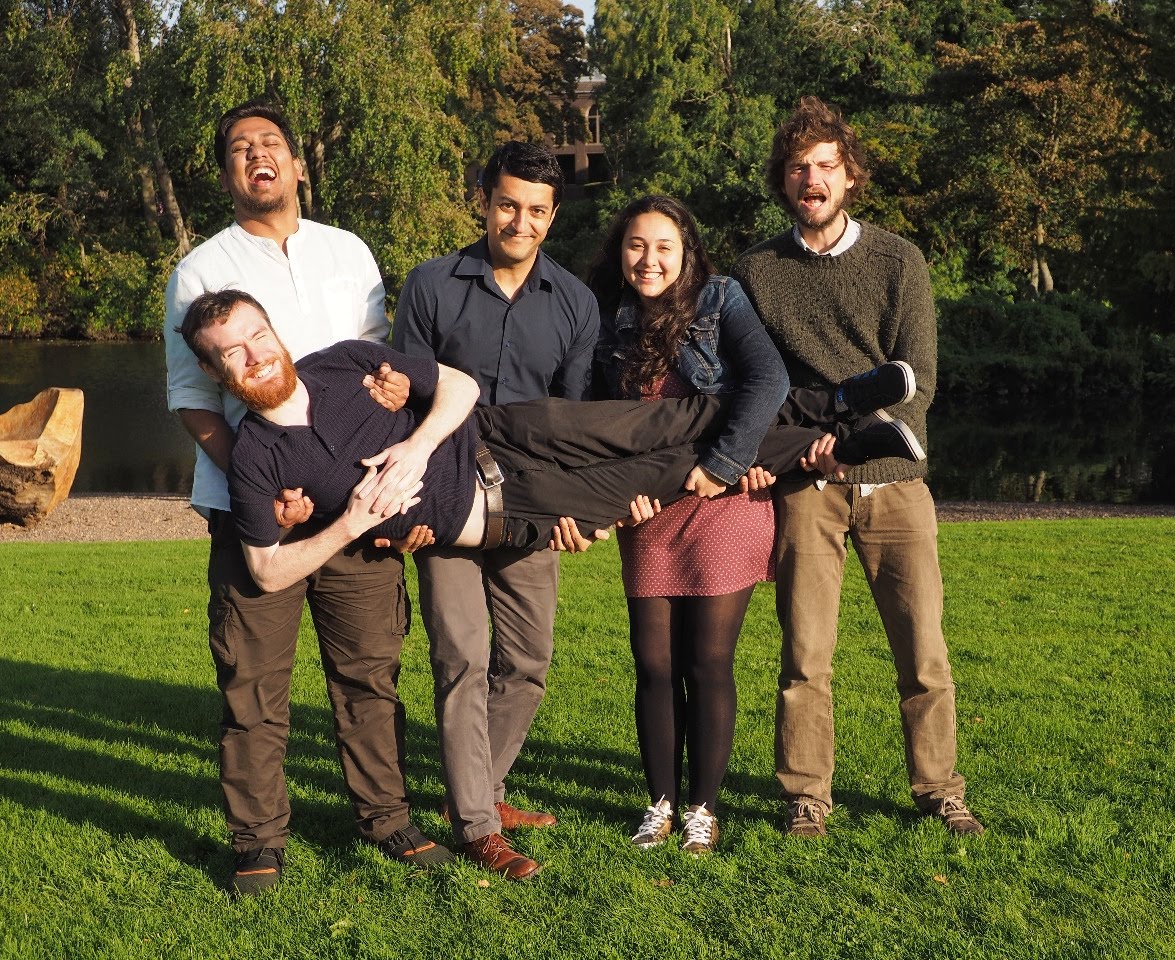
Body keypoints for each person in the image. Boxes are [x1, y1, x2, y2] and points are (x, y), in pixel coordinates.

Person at [163, 99, 459, 897]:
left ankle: (388, 819)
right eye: (239, 148)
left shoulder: (348, 250)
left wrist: (401, 468)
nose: (256, 155)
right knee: (253, 683)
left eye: (271, 143)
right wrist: (263, 488)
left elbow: (380, 369)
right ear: (226, 174)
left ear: (297, 164)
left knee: (369, 673)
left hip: (360, 498)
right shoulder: (199, 270)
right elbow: (193, 399)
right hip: (259, 513)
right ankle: (258, 840)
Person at [179, 289, 923, 587]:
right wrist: (351, 522)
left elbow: (459, 386)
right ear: (216, 371)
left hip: (503, 430)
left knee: (677, 416)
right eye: (232, 352)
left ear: (275, 329)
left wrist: (415, 445)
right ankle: (845, 448)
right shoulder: (256, 458)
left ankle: (837, 399)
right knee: (676, 470)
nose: (255, 355)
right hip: (512, 507)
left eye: (257, 335)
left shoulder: (342, 361)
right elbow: (266, 571)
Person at [731, 96, 985, 837]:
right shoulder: (756, 271)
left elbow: (918, 382)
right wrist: (790, 448)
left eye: (825, 166)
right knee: (805, 654)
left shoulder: (899, 261)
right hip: (806, 486)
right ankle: (806, 796)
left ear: (850, 177)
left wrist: (849, 441)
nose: (811, 180)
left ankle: (939, 789)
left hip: (894, 484)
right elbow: (755, 384)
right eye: (797, 168)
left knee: (924, 653)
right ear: (783, 180)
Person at [391, 142, 599, 878]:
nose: (520, 221)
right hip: (448, 501)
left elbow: (573, 424)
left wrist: (575, 508)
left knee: (529, 662)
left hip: (531, 505)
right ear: (484, 202)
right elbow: (404, 404)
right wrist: (410, 503)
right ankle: (478, 826)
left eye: (536, 210)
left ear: (553, 216)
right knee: (462, 660)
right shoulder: (431, 286)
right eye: (508, 204)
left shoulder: (575, 302)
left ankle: (481, 790)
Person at [586, 195, 788, 855]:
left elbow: (768, 379)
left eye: (663, 247)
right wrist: (620, 496)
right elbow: (595, 418)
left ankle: (703, 808)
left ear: (687, 252)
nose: (649, 260)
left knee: (706, 660)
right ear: (620, 251)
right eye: (636, 245)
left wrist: (727, 465)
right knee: (652, 662)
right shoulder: (606, 315)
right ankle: (661, 805)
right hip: (650, 511)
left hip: (722, 504)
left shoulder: (720, 299)